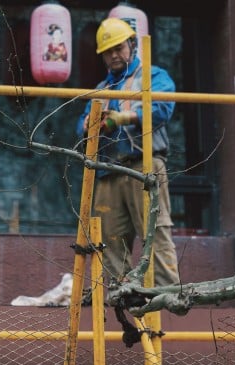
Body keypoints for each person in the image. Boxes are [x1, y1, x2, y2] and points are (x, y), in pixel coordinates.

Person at [77, 17, 180, 288]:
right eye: (108, 52)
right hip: (109, 170)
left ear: (132, 45)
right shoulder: (103, 88)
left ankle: (166, 296)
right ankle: (124, 293)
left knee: (154, 233)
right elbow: (83, 124)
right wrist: (89, 125)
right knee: (108, 237)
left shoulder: (153, 77)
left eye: (118, 48)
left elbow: (161, 109)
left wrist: (122, 118)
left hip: (143, 166)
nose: (114, 55)